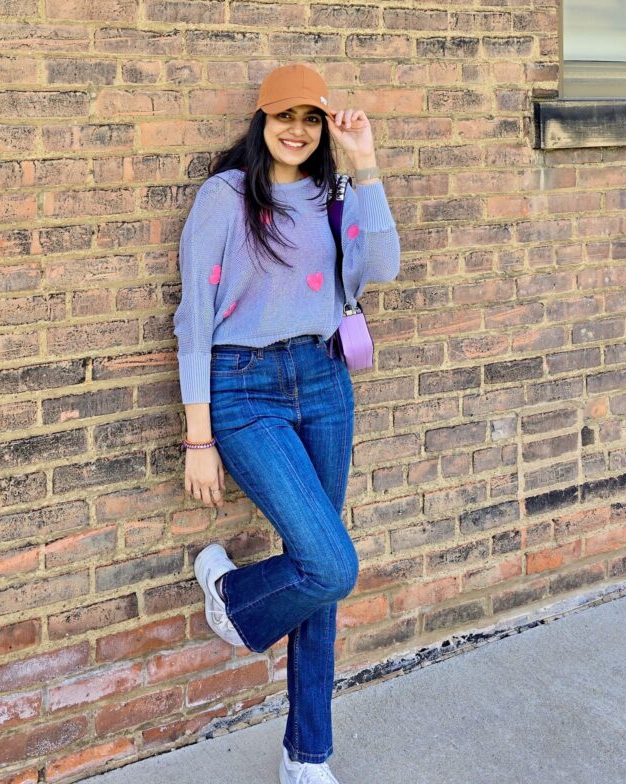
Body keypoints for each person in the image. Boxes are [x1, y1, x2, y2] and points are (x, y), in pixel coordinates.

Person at [172, 64, 401, 783]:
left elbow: (385, 266)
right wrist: (199, 437)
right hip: (245, 388)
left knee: (321, 568)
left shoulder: (337, 195)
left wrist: (364, 167)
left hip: (326, 380)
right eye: (283, 116)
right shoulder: (226, 197)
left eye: (310, 117)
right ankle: (234, 601)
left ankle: (308, 758)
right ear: (261, 122)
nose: (296, 130)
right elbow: (194, 321)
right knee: (331, 565)